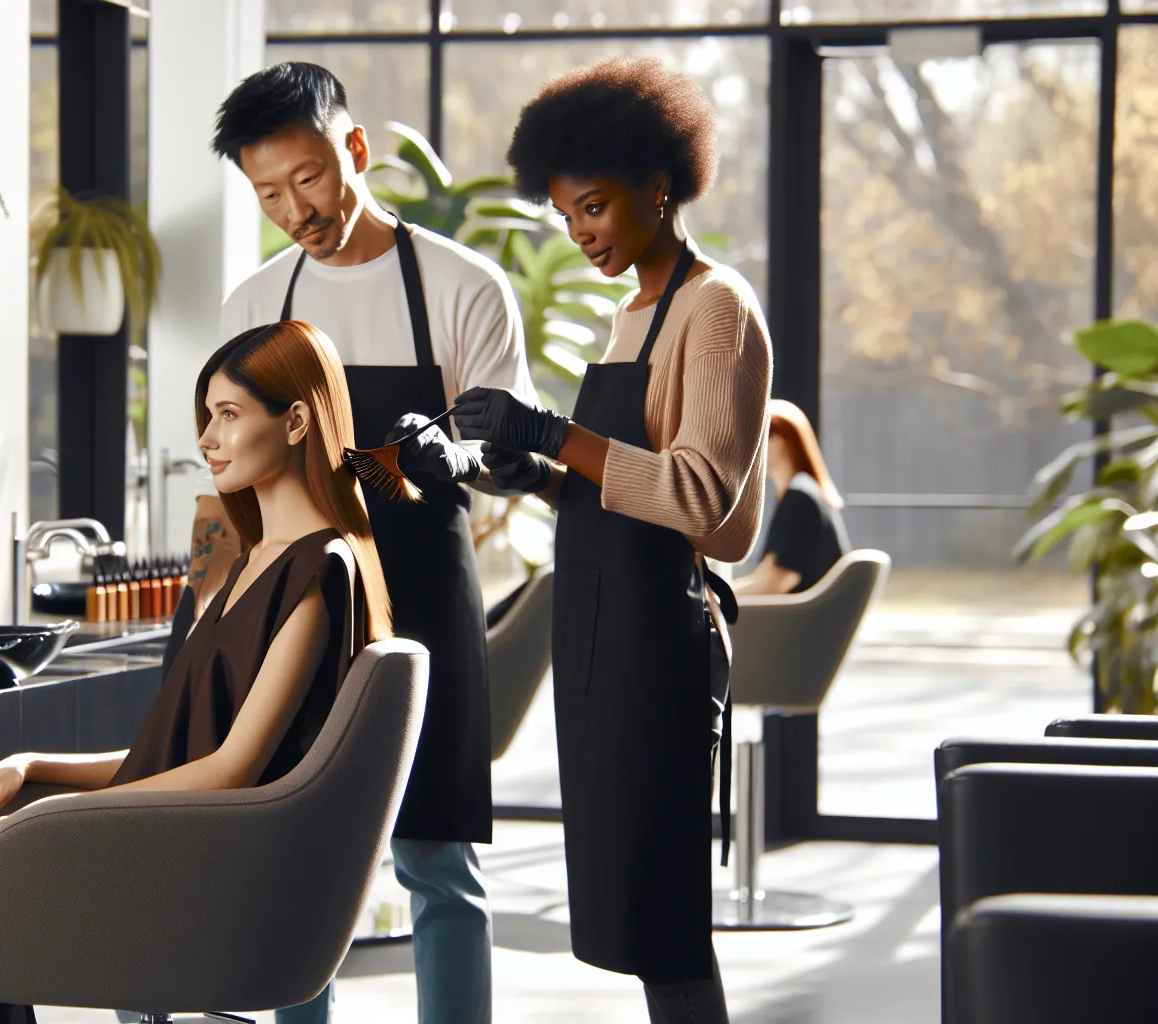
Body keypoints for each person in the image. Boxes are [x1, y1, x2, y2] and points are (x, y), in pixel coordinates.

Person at [0, 321, 394, 1024]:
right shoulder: (252, 559)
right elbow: (168, 758)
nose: (206, 438)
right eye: (206, 416)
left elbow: (230, 771)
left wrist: (45, 818)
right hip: (140, 837)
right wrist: (29, 765)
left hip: (183, 869)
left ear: (296, 422)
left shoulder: (319, 570)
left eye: (229, 414)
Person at [214, 61, 537, 1024]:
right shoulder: (257, 305)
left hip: (425, 597)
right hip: (297, 610)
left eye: (308, 179)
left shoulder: (462, 285)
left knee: (440, 860)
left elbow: (512, 452)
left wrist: (461, 456)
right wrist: (211, 618)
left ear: (354, 149)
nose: (295, 211)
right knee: (296, 855)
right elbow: (227, 483)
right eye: (269, 193)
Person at [452, 57, 772, 1023]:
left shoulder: (715, 308)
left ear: (660, 184)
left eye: (593, 207)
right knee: (629, 916)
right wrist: (520, 470)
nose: (581, 233)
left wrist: (553, 432)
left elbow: (702, 501)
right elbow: (612, 489)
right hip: (596, 638)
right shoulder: (632, 314)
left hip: (659, 645)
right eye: (566, 216)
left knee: (663, 920)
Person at [736, 399, 849, 595]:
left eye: (762, 436)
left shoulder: (800, 498)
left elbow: (775, 583)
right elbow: (769, 577)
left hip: (802, 612)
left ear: (785, 440)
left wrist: (713, 599)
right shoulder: (804, 492)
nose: (752, 446)